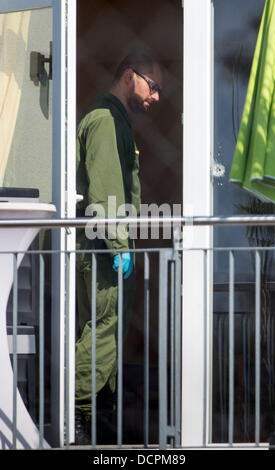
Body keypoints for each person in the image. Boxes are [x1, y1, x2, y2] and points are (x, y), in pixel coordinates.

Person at [74, 51, 162, 445]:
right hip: (102, 249)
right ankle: (78, 418)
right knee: (103, 331)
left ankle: (96, 419)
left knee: (108, 330)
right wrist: (119, 244)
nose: (156, 96)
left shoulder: (115, 121)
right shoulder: (106, 120)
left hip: (106, 248)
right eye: (152, 86)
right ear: (130, 76)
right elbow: (107, 189)